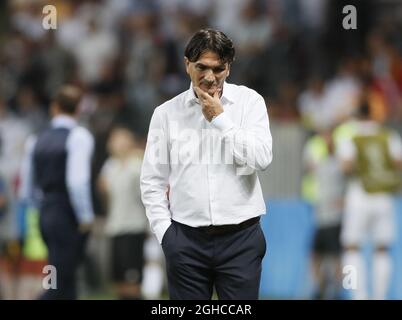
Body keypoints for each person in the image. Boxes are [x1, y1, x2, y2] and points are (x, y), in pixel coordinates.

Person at [140, 29, 273, 300]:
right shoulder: (165, 114)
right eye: (201, 67)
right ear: (187, 64)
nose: (210, 76)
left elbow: (262, 159)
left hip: (242, 238)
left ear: (229, 68)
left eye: (218, 68)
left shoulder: (250, 103)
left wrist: (221, 119)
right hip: (185, 240)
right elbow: (152, 181)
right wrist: (166, 234)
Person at [19, 85, 95, 299]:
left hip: (46, 212)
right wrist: (86, 217)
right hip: (67, 214)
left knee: (61, 277)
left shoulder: (35, 139)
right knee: (59, 283)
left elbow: (26, 187)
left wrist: (41, 208)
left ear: (54, 107)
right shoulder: (79, 136)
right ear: (78, 109)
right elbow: (76, 182)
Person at [336, 99, 402, 300]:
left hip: (359, 196)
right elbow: (399, 163)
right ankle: (379, 297)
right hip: (384, 196)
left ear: (357, 114)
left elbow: (346, 166)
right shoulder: (387, 135)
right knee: (382, 249)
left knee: (351, 246)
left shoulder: (351, 136)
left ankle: (358, 295)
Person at [98, 126, 148, 300]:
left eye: (120, 139)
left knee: (132, 279)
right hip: (114, 226)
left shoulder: (137, 164)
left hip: (133, 227)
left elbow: (146, 196)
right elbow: (106, 200)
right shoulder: (109, 165)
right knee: (118, 280)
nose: (115, 144)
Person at [302, 129, 344, 299]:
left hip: (334, 219)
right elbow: (308, 164)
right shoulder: (324, 164)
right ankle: (320, 290)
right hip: (321, 219)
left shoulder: (340, 166)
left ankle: (336, 291)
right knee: (316, 256)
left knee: (335, 258)